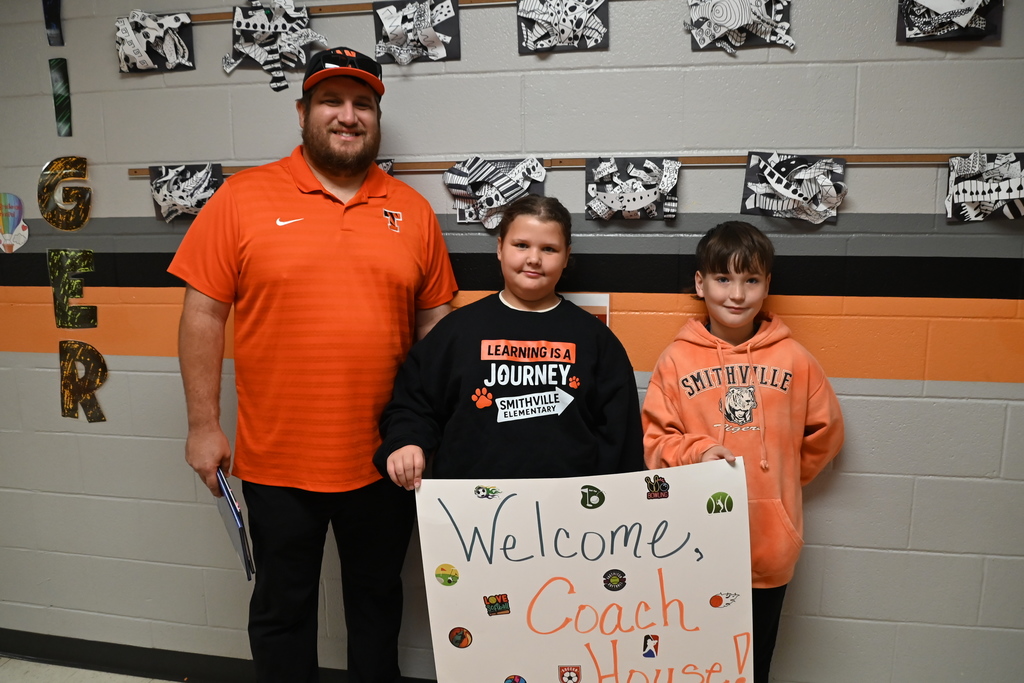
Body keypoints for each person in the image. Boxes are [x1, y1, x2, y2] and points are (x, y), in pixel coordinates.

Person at [168, 46, 458, 683]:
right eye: (331, 100)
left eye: (362, 104)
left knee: (378, 606)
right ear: (303, 111)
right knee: (281, 610)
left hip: (386, 459)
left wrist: (431, 430)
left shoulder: (411, 210)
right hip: (277, 460)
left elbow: (437, 326)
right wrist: (202, 425)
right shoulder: (242, 199)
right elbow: (203, 314)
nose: (347, 116)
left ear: (377, 118)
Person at [641, 221, 844, 683]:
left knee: (753, 665)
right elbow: (654, 443)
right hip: (691, 547)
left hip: (768, 548)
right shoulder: (676, 359)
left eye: (751, 280)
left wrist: (778, 488)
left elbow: (826, 432)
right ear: (700, 283)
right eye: (723, 279)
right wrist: (697, 454)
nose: (737, 294)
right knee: (693, 664)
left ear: (767, 285)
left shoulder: (794, 358)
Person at [374, 195, 644, 488]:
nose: (533, 259)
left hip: (568, 511)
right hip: (471, 505)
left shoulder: (596, 339)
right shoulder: (457, 330)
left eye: (549, 249)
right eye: (521, 245)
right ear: (500, 247)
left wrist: (614, 500)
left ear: (566, 256)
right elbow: (413, 403)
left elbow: (622, 435)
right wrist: (406, 441)